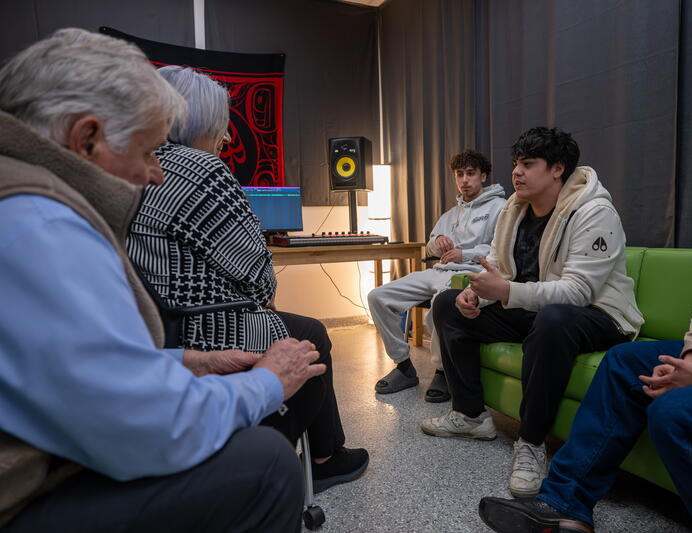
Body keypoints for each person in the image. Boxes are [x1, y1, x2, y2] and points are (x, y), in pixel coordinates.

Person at [0, 29, 320, 532]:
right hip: (23, 497)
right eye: (149, 151)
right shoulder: (43, 227)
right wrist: (265, 383)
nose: (156, 173)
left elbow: (73, 361)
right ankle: (323, 456)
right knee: (265, 457)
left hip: (176, 337)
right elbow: (150, 426)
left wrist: (183, 359)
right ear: (87, 139)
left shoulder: (25, 199)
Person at [479, 66, 692, 533]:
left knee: (677, 413)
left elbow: (576, 291)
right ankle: (565, 507)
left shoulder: (592, 212)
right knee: (626, 363)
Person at [127, 65, 368, 494]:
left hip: (156, 328)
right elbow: (259, 278)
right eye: (221, 127)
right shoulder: (203, 169)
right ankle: (312, 457)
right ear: (200, 121)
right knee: (311, 333)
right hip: (208, 327)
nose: (226, 138)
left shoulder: (132, 167)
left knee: (302, 327)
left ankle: (328, 454)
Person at [421, 127, 643, 499]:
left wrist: (505, 291)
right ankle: (471, 415)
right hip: (535, 309)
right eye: (515, 164)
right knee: (447, 301)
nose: (516, 173)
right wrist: (478, 295)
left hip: (597, 314)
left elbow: (577, 292)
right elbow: (497, 265)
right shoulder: (515, 209)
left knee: (554, 317)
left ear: (557, 169)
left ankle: (531, 442)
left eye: (527, 164)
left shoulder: (594, 212)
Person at [368, 149, 505, 401]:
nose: (465, 180)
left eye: (471, 174)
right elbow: (430, 245)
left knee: (438, 308)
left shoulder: (501, 208)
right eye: (459, 174)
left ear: (483, 176)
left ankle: (443, 372)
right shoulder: (451, 213)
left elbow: (500, 249)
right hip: (439, 270)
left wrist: (464, 254)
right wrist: (438, 241)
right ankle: (404, 367)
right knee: (378, 296)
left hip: (470, 274)